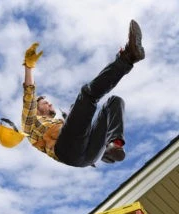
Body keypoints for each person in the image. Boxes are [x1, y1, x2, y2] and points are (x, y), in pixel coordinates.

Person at [21, 19, 145, 167]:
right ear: (36, 109)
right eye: (45, 103)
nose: (49, 103)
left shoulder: (61, 125)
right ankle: (128, 56)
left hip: (88, 156)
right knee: (86, 95)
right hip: (66, 151)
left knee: (114, 101)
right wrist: (29, 67)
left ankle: (114, 145)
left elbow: (79, 124)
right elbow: (29, 94)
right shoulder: (30, 123)